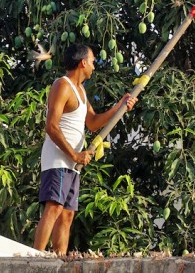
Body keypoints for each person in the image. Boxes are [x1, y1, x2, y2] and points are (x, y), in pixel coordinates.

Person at [33, 43, 137, 255]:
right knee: (54, 208)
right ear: (82, 63)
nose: (94, 66)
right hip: (59, 159)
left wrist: (120, 106)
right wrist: (74, 155)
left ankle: (58, 260)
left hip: (73, 162)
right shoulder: (62, 85)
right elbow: (51, 126)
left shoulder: (80, 91)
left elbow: (93, 122)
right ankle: (34, 259)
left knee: (68, 214)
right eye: (92, 62)